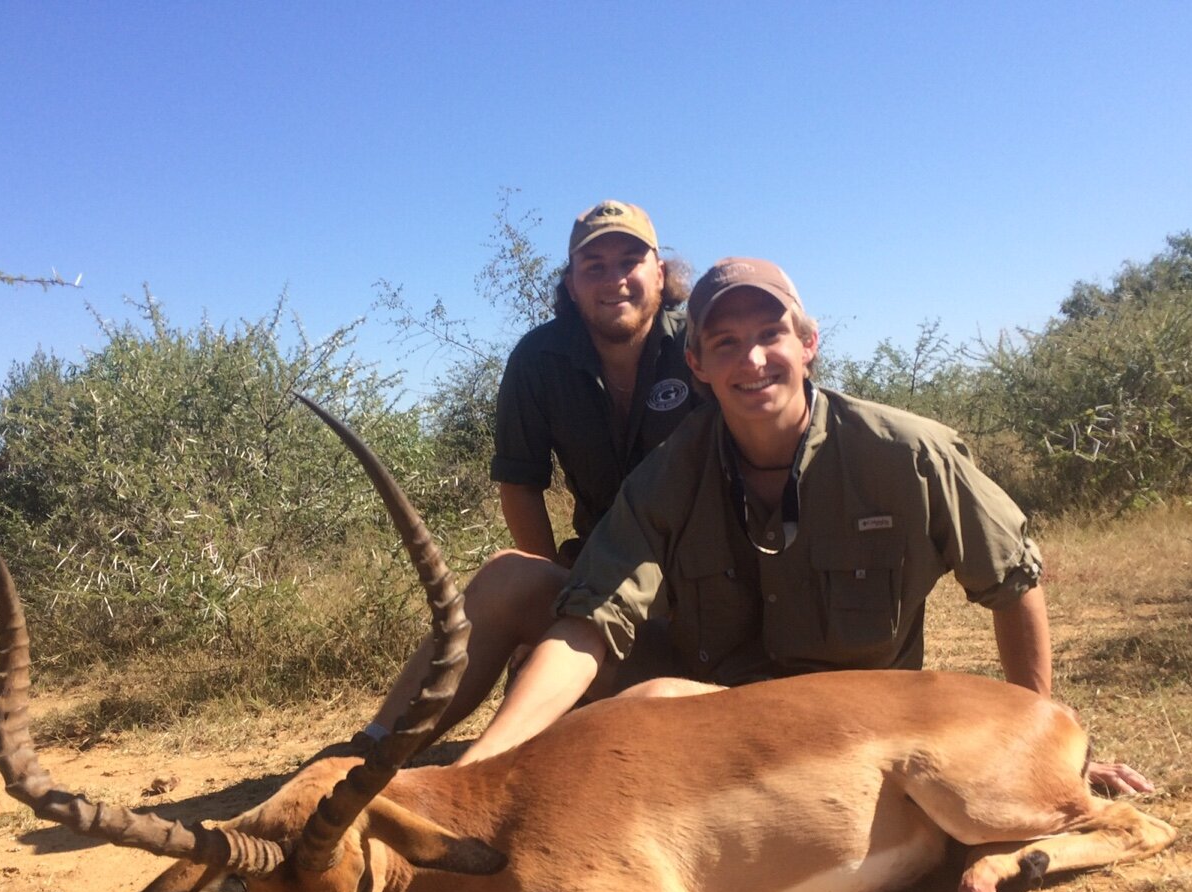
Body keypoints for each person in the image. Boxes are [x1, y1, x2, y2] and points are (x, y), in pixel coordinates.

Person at [458, 257, 1151, 796]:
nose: (752, 360)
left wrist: (1042, 744)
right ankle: (413, 758)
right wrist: (480, 764)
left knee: (654, 707)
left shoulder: (908, 454)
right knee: (623, 704)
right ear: (696, 365)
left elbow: (1014, 582)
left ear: (809, 342)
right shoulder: (670, 473)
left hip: (855, 728)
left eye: (770, 336)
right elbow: (590, 623)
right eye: (725, 343)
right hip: (731, 713)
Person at [365, 200, 701, 745]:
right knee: (508, 576)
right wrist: (557, 607)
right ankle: (370, 753)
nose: (613, 279)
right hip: (603, 593)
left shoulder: (707, 345)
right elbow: (520, 484)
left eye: (629, 262)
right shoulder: (537, 359)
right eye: (594, 266)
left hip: (706, 609)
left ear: (660, 275)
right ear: (570, 284)